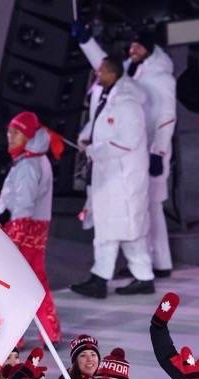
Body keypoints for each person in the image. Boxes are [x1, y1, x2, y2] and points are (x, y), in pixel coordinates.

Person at [78, 25, 177, 278]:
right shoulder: (127, 74)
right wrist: (86, 41)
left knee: (149, 208)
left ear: (150, 49)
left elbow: (166, 118)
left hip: (147, 151)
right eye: (132, 45)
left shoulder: (160, 77)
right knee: (139, 212)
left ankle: (159, 262)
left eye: (138, 46)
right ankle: (146, 266)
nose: (133, 49)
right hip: (130, 153)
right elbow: (106, 67)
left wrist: (159, 152)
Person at [69, 56, 154, 298]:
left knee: (115, 229)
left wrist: (95, 150)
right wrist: (87, 138)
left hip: (123, 179)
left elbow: (127, 140)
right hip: (111, 176)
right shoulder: (109, 98)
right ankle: (141, 276)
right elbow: (99, 126)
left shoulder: (127, 104)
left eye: (102, 71)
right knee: (122, 230)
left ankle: (101, 279)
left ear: (113, 74)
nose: (98, 74)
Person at [0, 111, 60, 343]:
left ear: (29, 135)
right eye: (9, 132)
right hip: (35, 231)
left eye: (16, 133)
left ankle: (14, 336)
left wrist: (13, 237)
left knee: (12, 282)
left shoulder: (28, 165)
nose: (10, 137)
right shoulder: (35, 159)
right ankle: (50, 331)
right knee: (35, 281)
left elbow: (24, 204)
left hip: (22, 231)